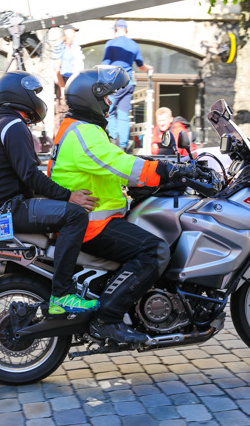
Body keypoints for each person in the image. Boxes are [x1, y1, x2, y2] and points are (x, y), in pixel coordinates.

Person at [48, 66, 195, 344]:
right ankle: (108, 319)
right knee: (154, 251)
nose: (110, 102)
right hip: (92, 224)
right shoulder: (82, 132)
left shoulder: (83, 129)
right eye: (106, 97)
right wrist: (163, 170)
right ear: (91, 97)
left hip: (95, 218)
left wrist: (163, 169)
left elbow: (112, 164)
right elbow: (118, 163)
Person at [0, 70, 101, 315]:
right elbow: (30, 175)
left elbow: (26, 179)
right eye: (33, 92)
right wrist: (68, 196)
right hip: (7, 210)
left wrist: (53, 197)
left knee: (60, 213)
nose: (36, 97)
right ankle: (62, 295)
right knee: (75, 215)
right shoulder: (13, 125)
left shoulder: (2, 125)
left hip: (1, 209)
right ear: (19, 94)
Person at [102, 19, 154, 151]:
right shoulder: (134, 45)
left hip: (114, 83)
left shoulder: (111, 44)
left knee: (110, 111)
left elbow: (105, 65)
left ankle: (113, 138)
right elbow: (141, 66)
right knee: (123, 112)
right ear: (126, 30)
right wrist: (149, 68)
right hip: (129, 82)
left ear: (116, 30)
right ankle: (123, 144)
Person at [52, 25, 85, 131]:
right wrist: (62, 88)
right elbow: (56, 69)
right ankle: (58, 138)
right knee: (62, 109)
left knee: (73, 110)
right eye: (72, 32)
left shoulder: (75, 48)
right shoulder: (60, 47)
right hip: (64, 81)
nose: (74, 34)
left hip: (74, 81)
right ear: (65, 32)